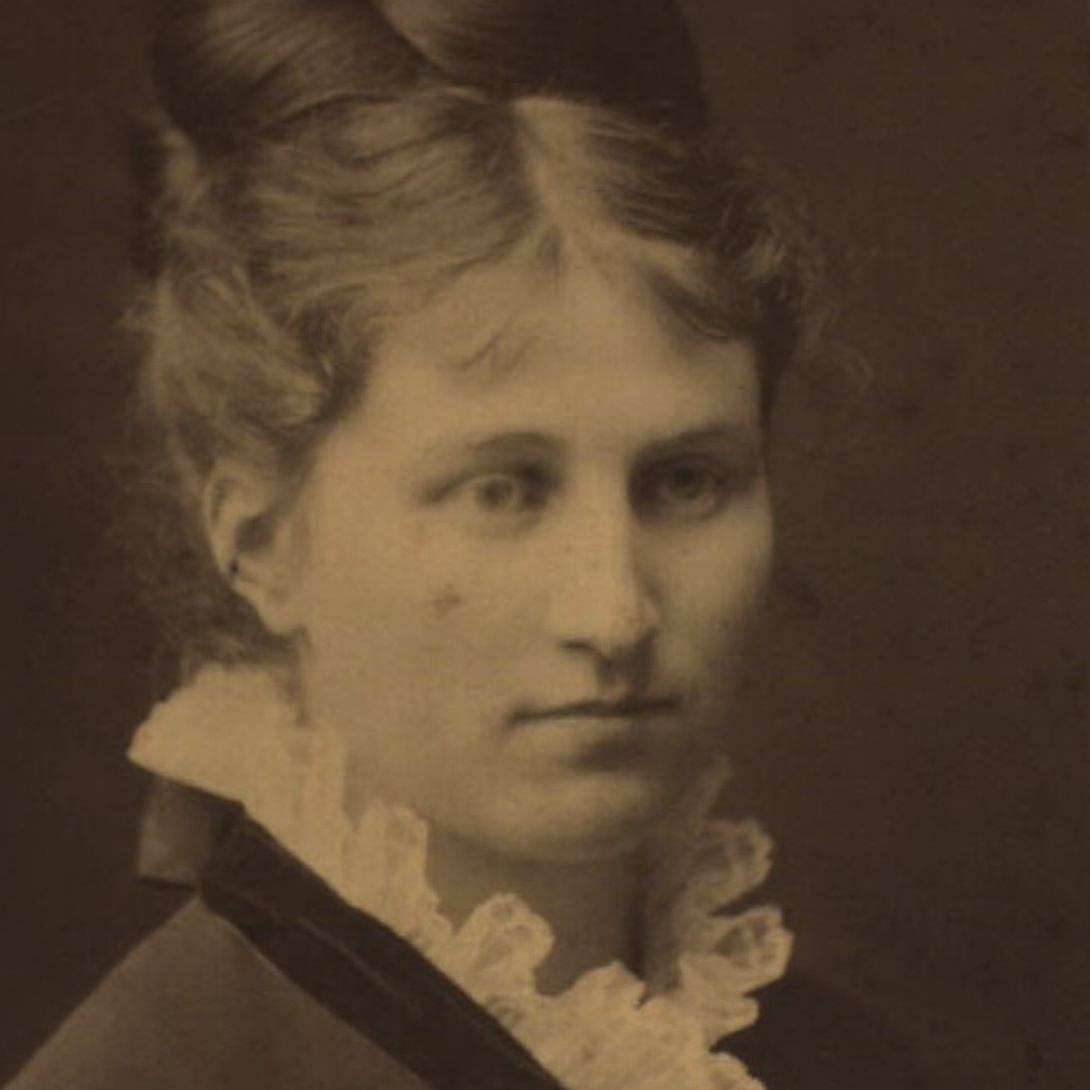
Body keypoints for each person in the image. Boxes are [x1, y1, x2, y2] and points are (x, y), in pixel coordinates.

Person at [7, 1, 927, 1088]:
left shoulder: (841, 1063)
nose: (614, 612)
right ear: (261, 544)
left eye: (686, 481)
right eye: (502, 491)